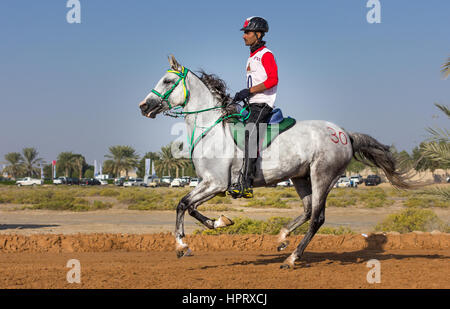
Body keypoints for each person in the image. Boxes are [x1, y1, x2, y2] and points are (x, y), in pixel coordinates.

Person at [229, 16, 279, 198]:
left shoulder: (266, 54)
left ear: (258, 34)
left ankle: (246, 184)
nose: (244, 36)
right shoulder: (252, 57)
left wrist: (248, 91)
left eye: (247, 32)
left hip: (262, 105)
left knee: (250, 135)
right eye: (244, 33)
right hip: (251, 104)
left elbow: (273, 80)